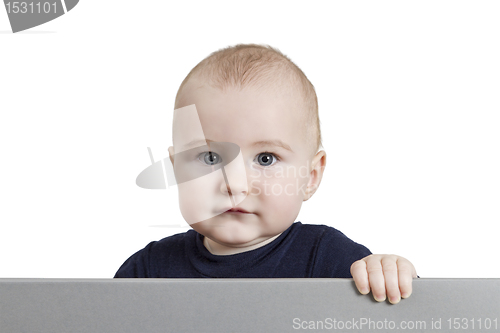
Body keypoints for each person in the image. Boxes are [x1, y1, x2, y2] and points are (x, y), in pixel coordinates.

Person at [114, 43, 418, 305]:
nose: (235, 184)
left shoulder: (330, 259)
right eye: (210, 157)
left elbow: (408, 314)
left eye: (265, 158)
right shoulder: (147, 271)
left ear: (310, 177)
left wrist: (392, 277)